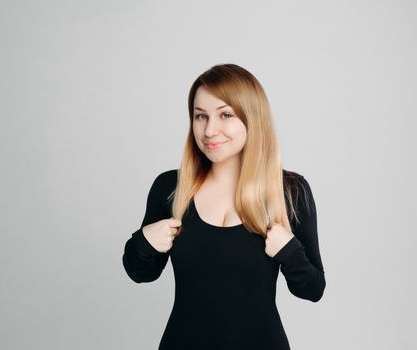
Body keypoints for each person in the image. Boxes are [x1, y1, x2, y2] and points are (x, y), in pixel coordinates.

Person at [122, 63, 326, 350]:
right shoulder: (170, 188)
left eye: (225, 115)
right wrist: (144, 242)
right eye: (200, 116)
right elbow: (141, 273)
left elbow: (313, 289)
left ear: (252, 118)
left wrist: (290, 252)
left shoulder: (290, 192)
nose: (209, 130)